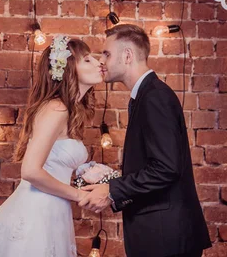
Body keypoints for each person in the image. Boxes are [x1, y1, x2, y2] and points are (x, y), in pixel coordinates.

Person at [79, 24, 212, 257]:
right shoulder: (147, 94)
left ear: (128, 55)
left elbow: (166, 168)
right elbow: (158, 164)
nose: (102, 61)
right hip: (161, 235)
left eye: (107, 54)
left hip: (165, 239)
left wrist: (112, 190)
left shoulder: (154, 97)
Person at [0, 36, 102, 256]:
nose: (99, 62)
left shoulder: (69, 111)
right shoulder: (57, 109)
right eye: (88, 60)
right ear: (69, 69)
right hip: (36, 213)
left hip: (53, 211)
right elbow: (30, 171)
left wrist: (90, 172)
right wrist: (78, 195)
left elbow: (55, 161)